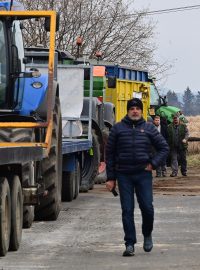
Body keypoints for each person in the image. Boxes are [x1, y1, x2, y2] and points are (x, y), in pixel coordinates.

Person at [105, 98, 169, 257]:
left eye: (137, 108)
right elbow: (109, 154)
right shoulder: (117, 129)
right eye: (132, 108)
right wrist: (111, 178)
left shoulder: (149, 128)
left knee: (147, 208)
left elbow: (164, 148)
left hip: (143, 174)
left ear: (141, 111)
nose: (135, 111)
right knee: (127, 210)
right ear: (128, 111)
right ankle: (129, 244)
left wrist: (153, 164)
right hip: (124, 174)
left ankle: (147, 233)